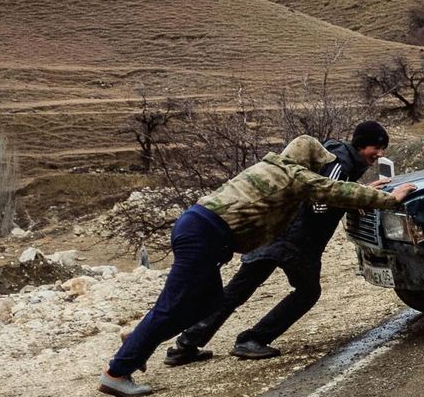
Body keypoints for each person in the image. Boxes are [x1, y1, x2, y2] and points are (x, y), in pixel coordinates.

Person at [100, 136, 411, 397]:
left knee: (207, 303)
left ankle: (139, 339)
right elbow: (334, 191)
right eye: (317, 164)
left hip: (198, 228)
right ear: (308, 161)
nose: (319, 169)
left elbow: (333, 191)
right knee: (171, 308)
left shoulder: (268, 166)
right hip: (204, 235)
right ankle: (117, 373)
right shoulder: (295, 175)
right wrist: (389, 198)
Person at [163, 121, 391, 365]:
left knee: (238, 289)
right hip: (297, 240)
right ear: (361, 143)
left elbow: (330, 190)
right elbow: (319, 204)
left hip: (274, 230)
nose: (379, 154)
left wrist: (359, 191)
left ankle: (185, 345)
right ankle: (253, 340)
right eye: (376, 147)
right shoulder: (341, 162)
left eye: (382, 149)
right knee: (307, 292)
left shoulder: (336, 155)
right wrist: (360, 198)